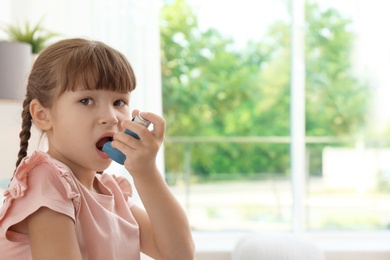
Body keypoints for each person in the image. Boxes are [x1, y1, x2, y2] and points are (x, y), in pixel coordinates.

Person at [0, 38, 195, 260]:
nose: (110, 117)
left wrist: (146, 172)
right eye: (86, 101)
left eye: (119, 102)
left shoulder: (113, 192)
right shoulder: (46, 178)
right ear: (43, 115)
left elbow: (179, 254)